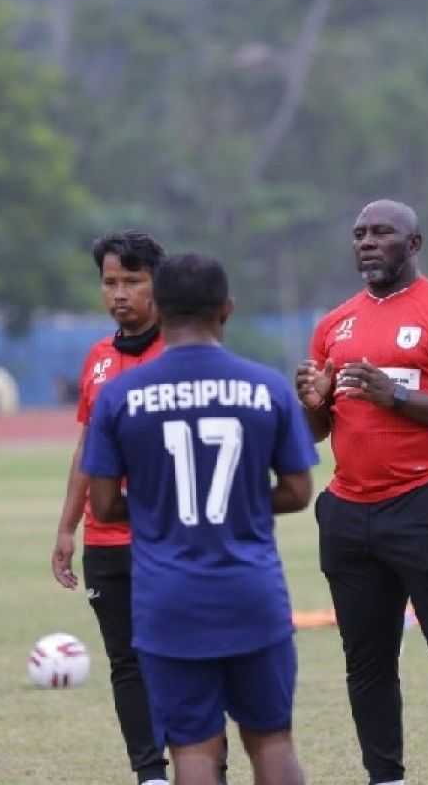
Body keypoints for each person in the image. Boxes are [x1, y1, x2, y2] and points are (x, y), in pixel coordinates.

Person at [82, 253, 318, 785]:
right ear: (227, 309)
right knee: (272, 739)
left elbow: (101, 506)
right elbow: (299, 491)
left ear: (158, 309)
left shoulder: (120, 395)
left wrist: (158, 510)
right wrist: (244, 505)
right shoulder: (268, 387)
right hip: (251, 590)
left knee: (192, 751)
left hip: (168, 598)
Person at [295, 199, 428, 785]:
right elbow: (317, 428)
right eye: (359, 233)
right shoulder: (334, 324)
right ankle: (385, 778)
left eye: (382, 232)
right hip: (349, 512)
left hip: (424, 505)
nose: (367, 241)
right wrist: (311, 402)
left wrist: (397, 397)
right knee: (366, 664)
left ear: (413, 244)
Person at [50, 231, 171, 785]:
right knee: (127, 663)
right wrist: (67, 527)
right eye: (110, 282)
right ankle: (150, 774)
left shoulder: (180, 351)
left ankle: (205, 769)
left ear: (157, 284)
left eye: (132, 281)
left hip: (168, 540)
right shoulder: (98, 358)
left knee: (181, 658)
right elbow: (86, 447)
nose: (119, 293)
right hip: (105, 542)